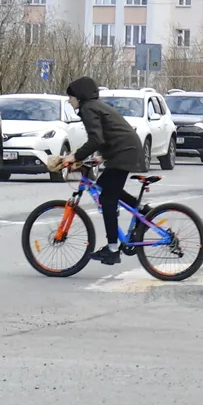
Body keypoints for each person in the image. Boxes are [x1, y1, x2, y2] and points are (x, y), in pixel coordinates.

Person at [65, 76, 147, 265]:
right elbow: (110, 134)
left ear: (79, 96)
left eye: (71, 97)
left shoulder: (88, 108)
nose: (69, 101)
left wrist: (74, 157)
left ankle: (112, 249)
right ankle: (144, 211)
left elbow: (96, 139)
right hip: (125, 149)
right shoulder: (95, 106)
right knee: (105, 186)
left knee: (107, 198)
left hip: (124, 152)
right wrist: (102, 156)